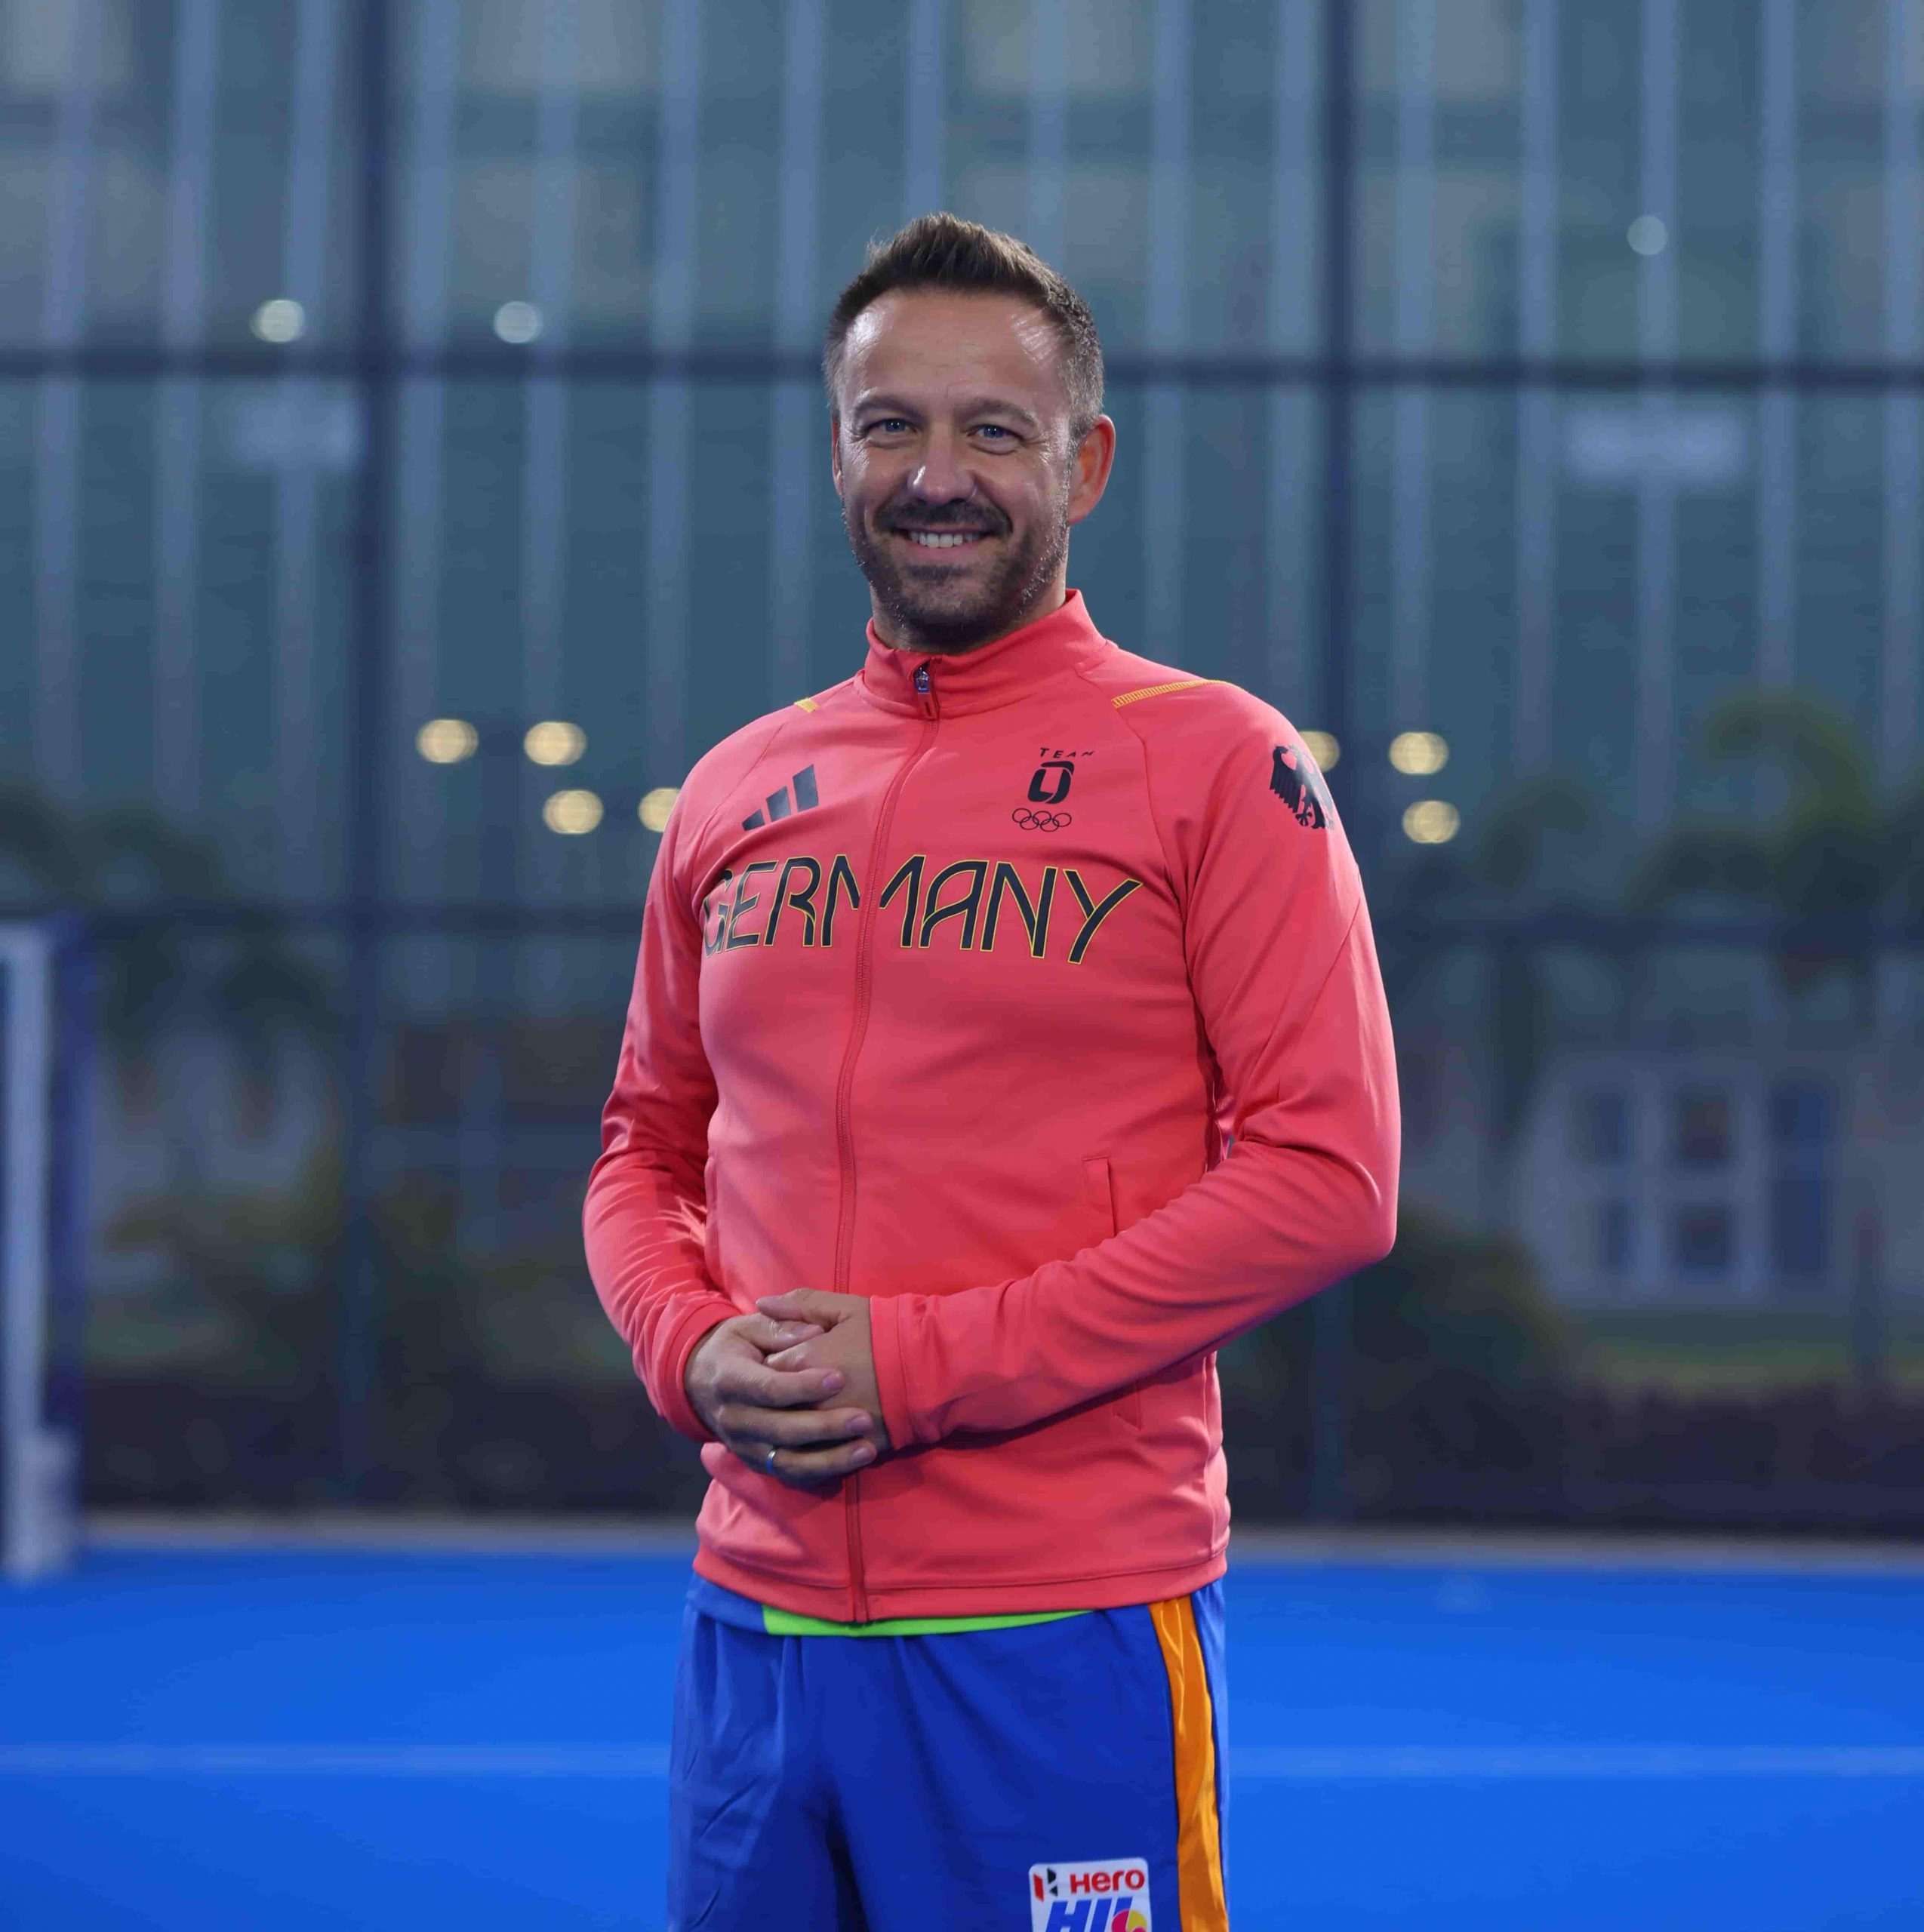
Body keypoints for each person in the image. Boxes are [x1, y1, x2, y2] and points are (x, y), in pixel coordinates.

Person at [584, 212, 1399, 1932]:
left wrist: (921, 1365)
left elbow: (1328, 1180)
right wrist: (686, 1344)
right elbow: (644, 1147)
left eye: (993, 430)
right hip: (753, 1632)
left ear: (1083, 463)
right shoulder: (735, 785)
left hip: (1060, 1632)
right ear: (837, 452)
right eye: (891, 424)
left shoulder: (1213, 760)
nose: (935, 476)